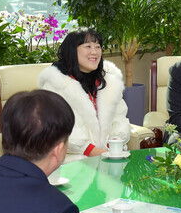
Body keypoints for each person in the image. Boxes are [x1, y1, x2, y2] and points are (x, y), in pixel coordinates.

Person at [38, 28, 130, 158]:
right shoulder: (54, 84)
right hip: (72, 158)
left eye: (98, 47)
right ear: (72, 51)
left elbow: (119, 118)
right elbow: (57, 127)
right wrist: (92, 151)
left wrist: (113, 146)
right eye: (88, 46)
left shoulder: (108, 82)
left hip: (111, 154)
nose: (94, 52)